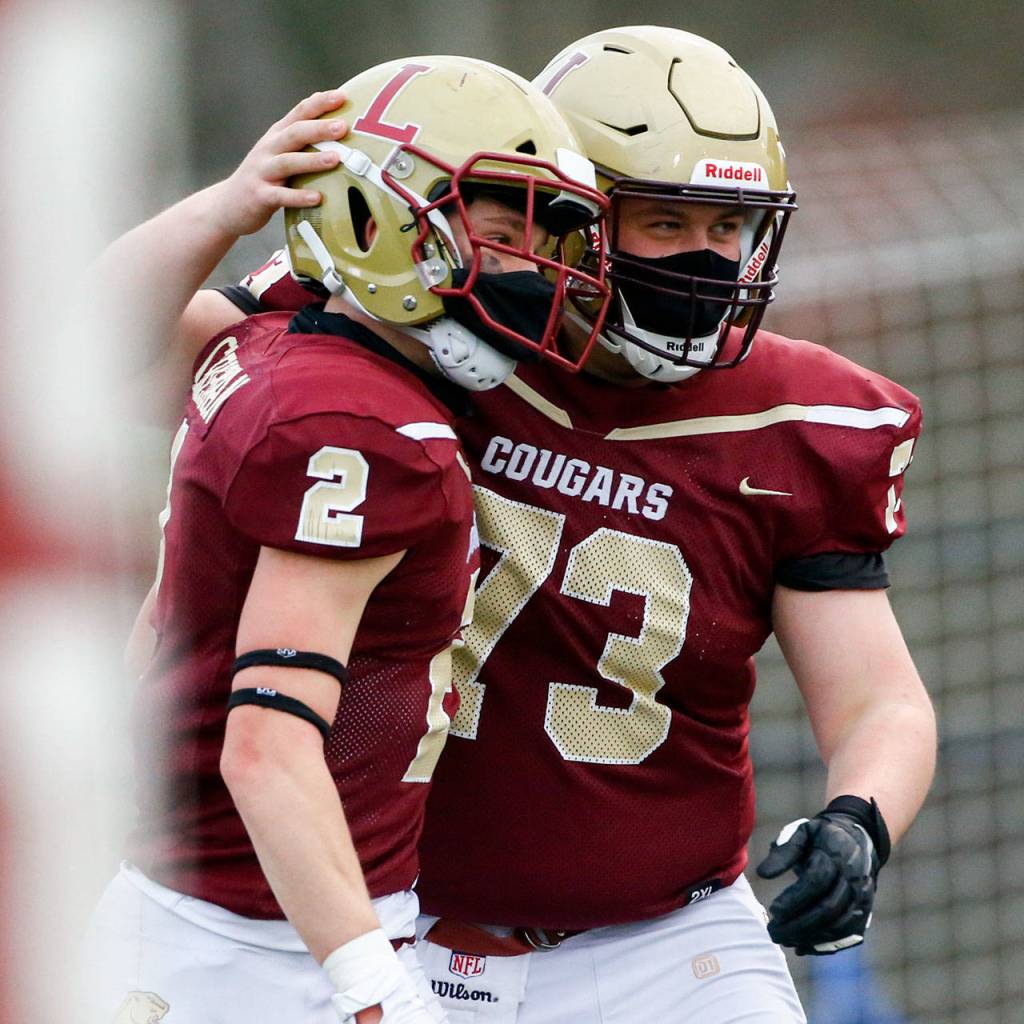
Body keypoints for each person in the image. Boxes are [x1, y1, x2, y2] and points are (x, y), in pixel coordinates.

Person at [113, 26, 936, 1024]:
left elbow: (876, 699)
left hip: (664, 943)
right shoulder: (413, 331)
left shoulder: (802, 420)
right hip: (387, 930)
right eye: (664, 222)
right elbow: (98, 353)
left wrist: (857, 822)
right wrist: (223, 208)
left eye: (728, 227)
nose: (705, 265)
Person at [87, 56, 609, 1024]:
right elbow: (268, 747)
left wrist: (221, 210)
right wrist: (374, 989)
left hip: (192, 912)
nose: (534, 266)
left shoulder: (276, 336)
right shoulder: (367, 428)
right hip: (264, 943)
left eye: (545, 233)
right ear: (380, 223)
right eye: (498, 229)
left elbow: (86, 337)